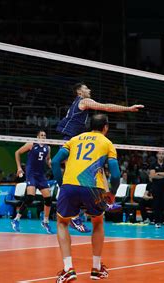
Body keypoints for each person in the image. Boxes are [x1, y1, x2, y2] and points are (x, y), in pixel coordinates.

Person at [56, 82, 143, 233]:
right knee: (76, 177)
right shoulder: (83, 101)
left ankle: (103, 203)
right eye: (85, 88)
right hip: (70, 142)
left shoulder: (76, 104)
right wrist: (127, 109)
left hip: (73, 141)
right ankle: (75, 216)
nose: (89, 89)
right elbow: (106, 107)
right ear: (79, 92)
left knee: (96, 168)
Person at [52, 114, 120, 281]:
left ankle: (68, 269)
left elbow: (55, 162)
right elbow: (116, 174)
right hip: (94, 187)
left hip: (70, 185)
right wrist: (112, 192)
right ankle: (96, 269)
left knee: (62, 223)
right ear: (106, 127)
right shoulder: (107, 143)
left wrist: (62, 185)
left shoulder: (74, 139)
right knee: (97, 222)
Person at [11, 130, 53, 234]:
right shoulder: (31, 144)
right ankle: (16, 219)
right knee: (30, 197)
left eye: (45, 135)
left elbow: (47, 160)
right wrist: (19, 168)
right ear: (37, 136)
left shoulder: (48, 148)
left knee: (48, 199)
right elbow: (17, 153)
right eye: (41, 135)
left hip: (41, 175)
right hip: (31, 174)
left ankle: (45, 221)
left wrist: (51, 163)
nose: (43, 136)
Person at [149, 151, 164, 227]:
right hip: (156, 186)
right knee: (157, 204)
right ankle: (157, 222)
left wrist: (158, 173)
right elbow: (152, 175)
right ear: (157, 155)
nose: (161, 155)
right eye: (159, 154)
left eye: (162, 154)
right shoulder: (153, 164)